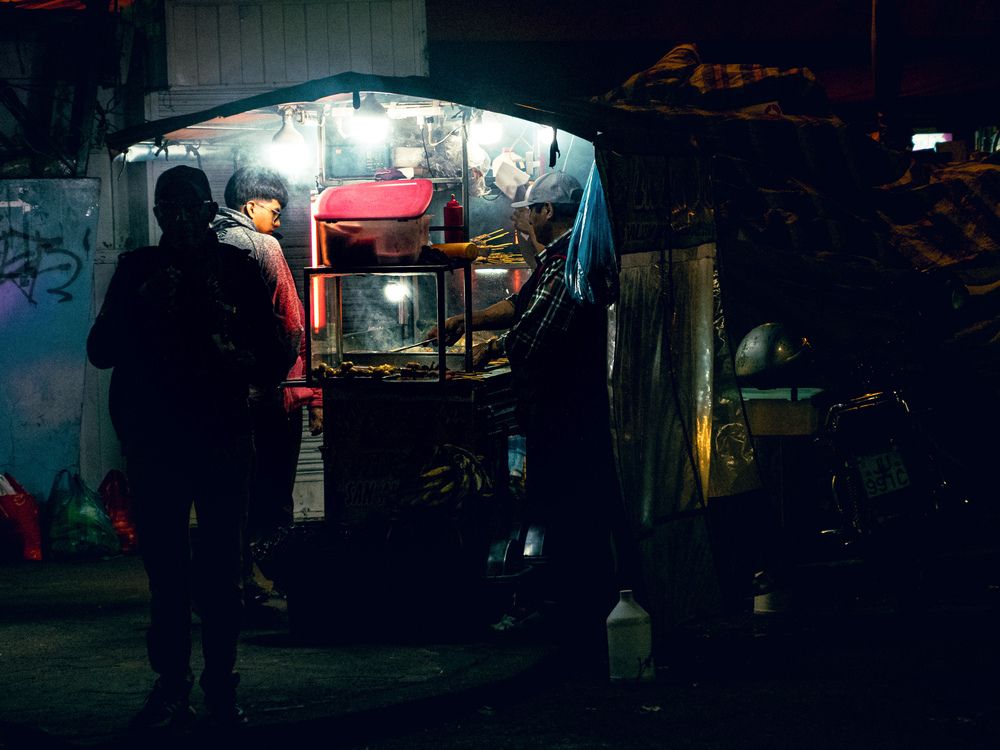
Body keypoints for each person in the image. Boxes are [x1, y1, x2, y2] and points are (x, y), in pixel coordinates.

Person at [87, 165, 294, 730]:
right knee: (167, 571)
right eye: (167, 209)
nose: (177, 218)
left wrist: (229, 341)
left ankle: (221, 687)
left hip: (222, 437)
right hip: (156, 443)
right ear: (157, 215)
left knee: (223, 566)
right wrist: (143, 303)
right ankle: (173, 686)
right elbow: (100, 350)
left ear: (208, 211)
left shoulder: (237, 269)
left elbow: (276, 352)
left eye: (188, 207)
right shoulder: (137, 270)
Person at [430, 170, 621, 652]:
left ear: (547, 213)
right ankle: (565, 606)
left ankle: (561, 612)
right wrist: (466, 321)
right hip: (564, 411)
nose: (525, 219)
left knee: (563, 507)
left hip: (569, 412)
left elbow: (536, 334)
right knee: (555, 505)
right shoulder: (560, 260)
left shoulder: (571, 262)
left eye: (529, 209)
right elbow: (521, 304)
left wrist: (489, 350)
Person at [210, 167, 323, 616]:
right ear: (249, 206)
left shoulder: (202, 244)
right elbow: (292, 326)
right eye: (275, 212)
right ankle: (277, 580)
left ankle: (233, 582)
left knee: (229, 495)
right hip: (268, 398)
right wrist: (279, 377)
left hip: (216, 399)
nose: (279, 222)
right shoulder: (262, 246)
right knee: (274, 494)